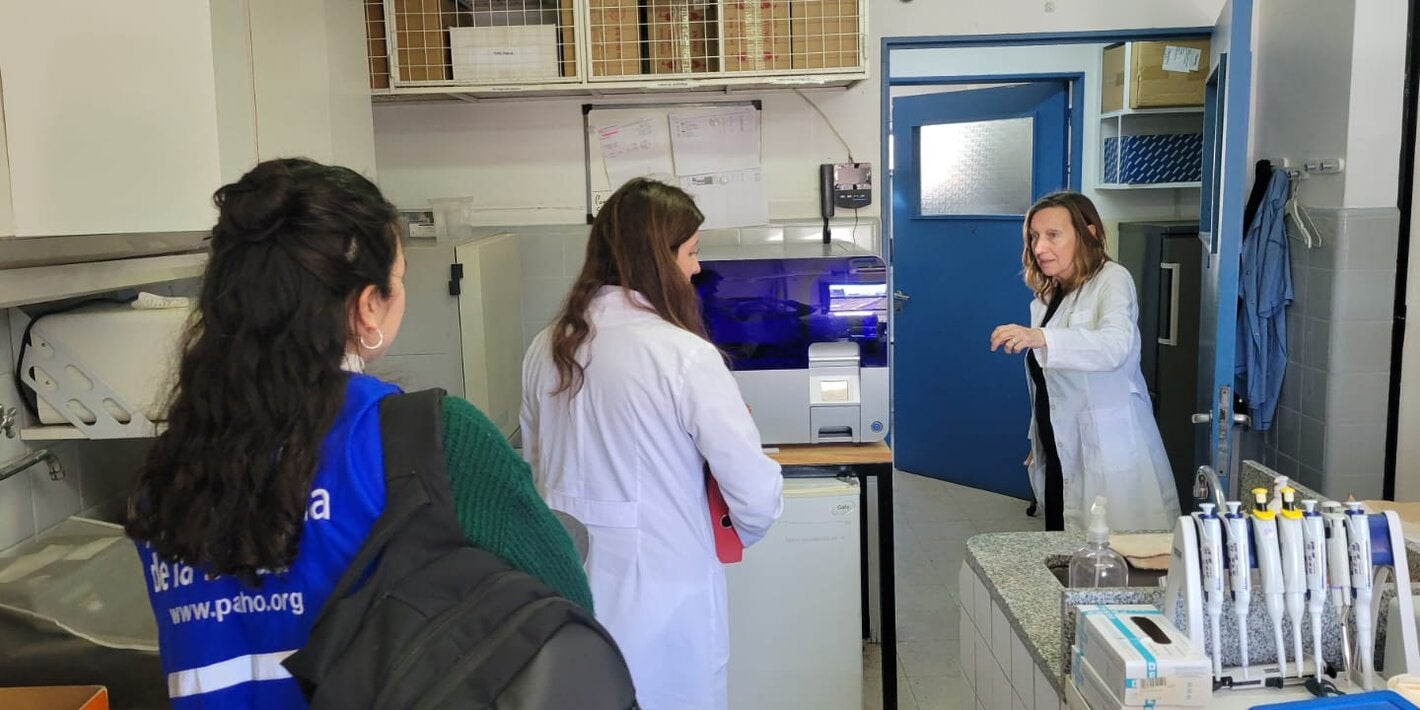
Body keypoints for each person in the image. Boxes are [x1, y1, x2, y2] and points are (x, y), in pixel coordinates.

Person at [126, 158, 592, 709]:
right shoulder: (426, 438)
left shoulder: (170, 472)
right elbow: (565, 614)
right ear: (368, 306)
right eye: (399, 278)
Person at [520, 178, 784, 710]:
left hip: (565, 591)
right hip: (666, 599)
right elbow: (755, 498)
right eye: (691, 252)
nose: (696, 268)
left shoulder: (545, 347)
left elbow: (536, 463)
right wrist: (730, 532)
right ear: (658, 259)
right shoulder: (684, 356)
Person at [989, 191, 1180, 533]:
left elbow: (1114, 347)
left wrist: (1040, 337)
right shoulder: (1050, 293)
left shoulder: (1112, 279)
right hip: (1059, 450)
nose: (1039, 247)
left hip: (1105, 448)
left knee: (1114, 550)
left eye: (1053, 235)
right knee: (1064, 545)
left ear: (1088, 234)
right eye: (1034, 236)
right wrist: (1039, 439)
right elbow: (1049, 386)